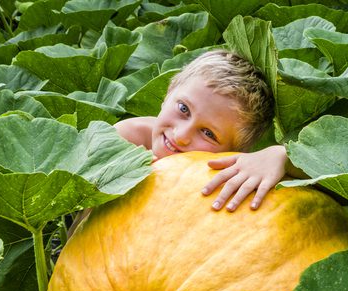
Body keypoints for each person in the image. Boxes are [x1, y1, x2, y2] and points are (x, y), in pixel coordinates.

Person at [114, 49, 289, 212]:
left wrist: (281, 157)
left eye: (208, 134)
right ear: (168, 93)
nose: (181, 136)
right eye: (183, 109)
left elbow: (310, 169)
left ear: (234, 153)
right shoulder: (125, 138)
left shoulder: (241, 170)